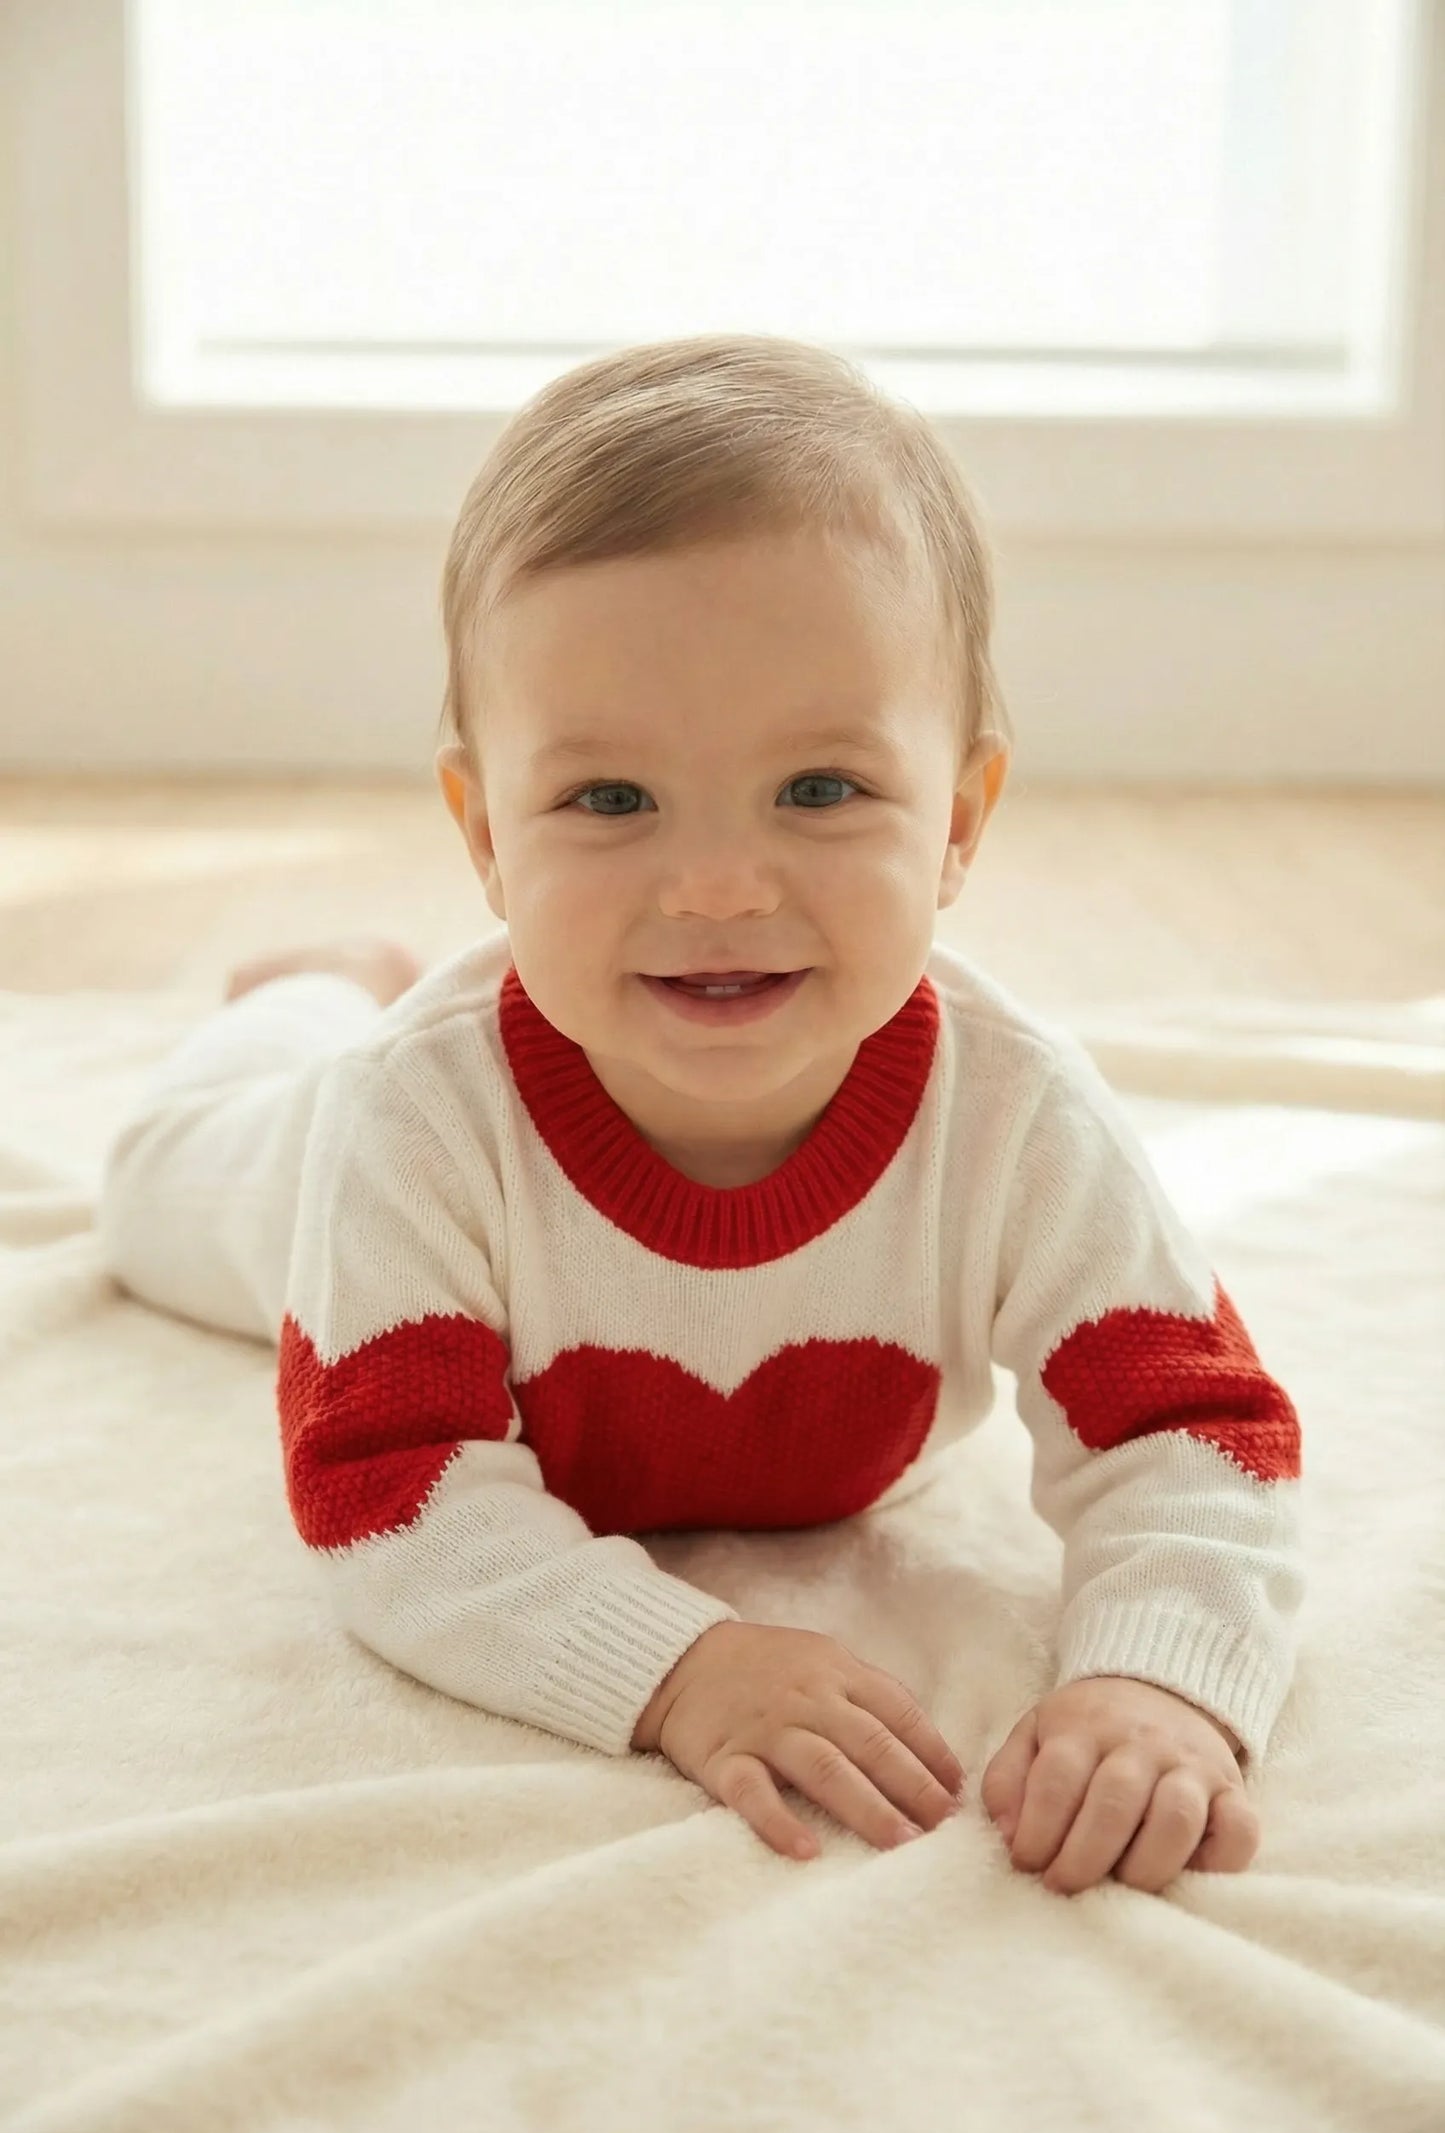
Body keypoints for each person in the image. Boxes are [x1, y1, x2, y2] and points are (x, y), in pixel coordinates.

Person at [96, 333, 1303, 1897]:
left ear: (956, 820)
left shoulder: (1014, 1114)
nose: (719, 887)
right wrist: (677, 1663)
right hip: (309, 1178)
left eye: (819, 789)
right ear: (486, 833)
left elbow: (1187, 1426)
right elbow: (388, 1490)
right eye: (609, 800)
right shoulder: (414, 1124)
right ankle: (314, 990)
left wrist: (1158, 1673)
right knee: (153, 1190)